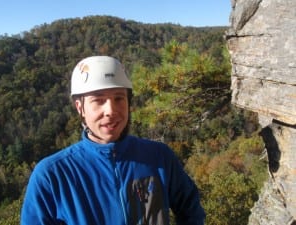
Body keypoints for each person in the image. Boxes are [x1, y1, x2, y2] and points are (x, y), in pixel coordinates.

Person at [21, 56, 205, 225]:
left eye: (119, 98)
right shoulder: (53, 175)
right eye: (99, 100)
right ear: (80, 107)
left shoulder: (159, 157)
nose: (111, 110)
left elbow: (191, 210)